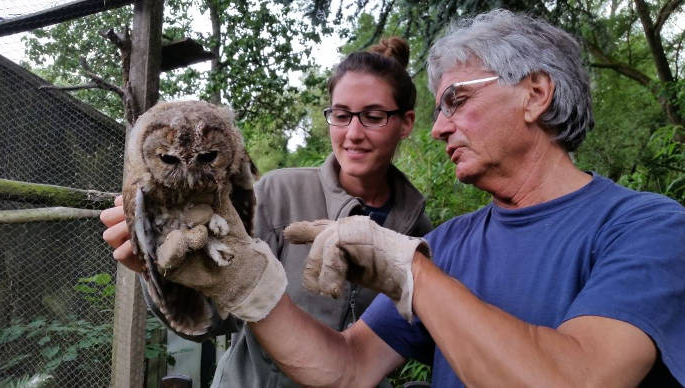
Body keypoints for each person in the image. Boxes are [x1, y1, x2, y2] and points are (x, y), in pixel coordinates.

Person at [118, 9, 685, 387]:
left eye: (457, 101)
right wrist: (248, 286)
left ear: (535, 94)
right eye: (439, 108)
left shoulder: (648, 226)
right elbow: (348, 366)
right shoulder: (452, 242)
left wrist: (409, 269)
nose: (440, 128)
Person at [100, 37, 432, 387]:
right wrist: (163, 273)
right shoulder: (279, 193)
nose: (353, 133)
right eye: (341, 114)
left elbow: (409, 341)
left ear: (406, 123)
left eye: (374, 117)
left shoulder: (416, 228)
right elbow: (215, 318)